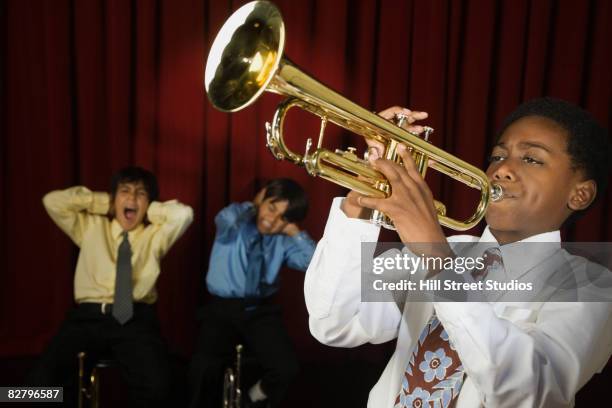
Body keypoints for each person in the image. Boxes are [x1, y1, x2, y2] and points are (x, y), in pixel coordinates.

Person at [304, 98, 612, 407]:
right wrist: (359, 200)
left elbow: (528, 391)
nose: (502, 169)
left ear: (580, 194)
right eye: (497, 155)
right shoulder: (443, 248)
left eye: (531, 159)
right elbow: (334, 323)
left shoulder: (593, 286)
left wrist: (439, 259)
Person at [27, 166, 194, 408]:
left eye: (141, 194)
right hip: (87, 318)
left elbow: (184, 214)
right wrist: (104, 201)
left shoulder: (155, 235)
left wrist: (150, 207)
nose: (132, 198)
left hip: (135, 320)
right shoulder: (90, 227)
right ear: (113, 198)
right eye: (124, 191)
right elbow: (52, 201)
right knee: (35, 386)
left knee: (160, 388)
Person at [189, 178, 316, 408]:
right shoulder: (233, 224)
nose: (271, 220)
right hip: (221, 308)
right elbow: (224, 218)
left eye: (282, 217)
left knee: (286, 368)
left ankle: (251, 399)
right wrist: (255, 205)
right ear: (262, 200)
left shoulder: (283, 241)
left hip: (261, 310)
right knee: (202, 368)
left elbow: (313, 262)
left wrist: (293, 230)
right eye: (271, 208)